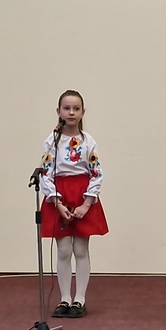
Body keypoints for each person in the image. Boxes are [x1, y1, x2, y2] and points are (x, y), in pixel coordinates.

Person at [39, 89, 109, 318]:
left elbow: (96, 173)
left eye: (76, 108)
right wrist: (57, 203)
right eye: (67, 108)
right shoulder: (52, 141)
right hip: (59, 196)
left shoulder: (88, 141)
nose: (71, 112)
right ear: (58, 111)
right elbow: (46, 173)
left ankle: (79, 298)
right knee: (63, 250)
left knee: (80, 249)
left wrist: (86, 205)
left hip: (81, 195)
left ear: (82, 112)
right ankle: (64, 298)